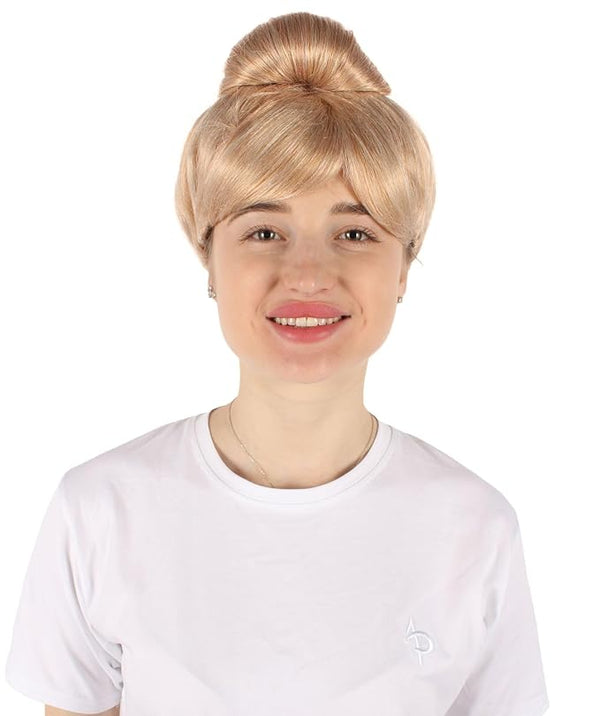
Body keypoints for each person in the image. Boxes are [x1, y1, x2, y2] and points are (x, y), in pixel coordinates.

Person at [4, 11, 549, 716]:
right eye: (264, 230)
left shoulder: (474, 529)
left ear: (404, 267)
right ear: (208, 257)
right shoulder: (102, 512)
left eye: (355, 232)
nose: (309, 273)